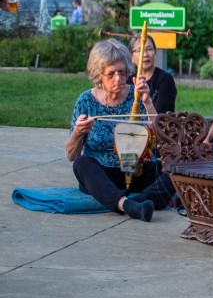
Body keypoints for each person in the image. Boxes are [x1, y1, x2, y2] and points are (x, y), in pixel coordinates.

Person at [66, 39, 171, 220]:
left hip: (136, 170)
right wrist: (78, 133)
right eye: (111, 74)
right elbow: (71, 155)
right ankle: (127, 205)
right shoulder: (86, 100)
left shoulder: (136, 96)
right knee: (82, 164)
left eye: (122, 72)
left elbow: (161, 138)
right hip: (103, 175)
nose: (118, 79)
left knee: (175, 168)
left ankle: (142, 201)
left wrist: (147, 102)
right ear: (99, 75)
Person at [134, 31, 177, 115]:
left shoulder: (165, 79)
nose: (145, 54)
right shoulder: (127, 80)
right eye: (140, 50)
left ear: (155, 52)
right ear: (131, 56)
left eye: (149, 49)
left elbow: (160, 114)